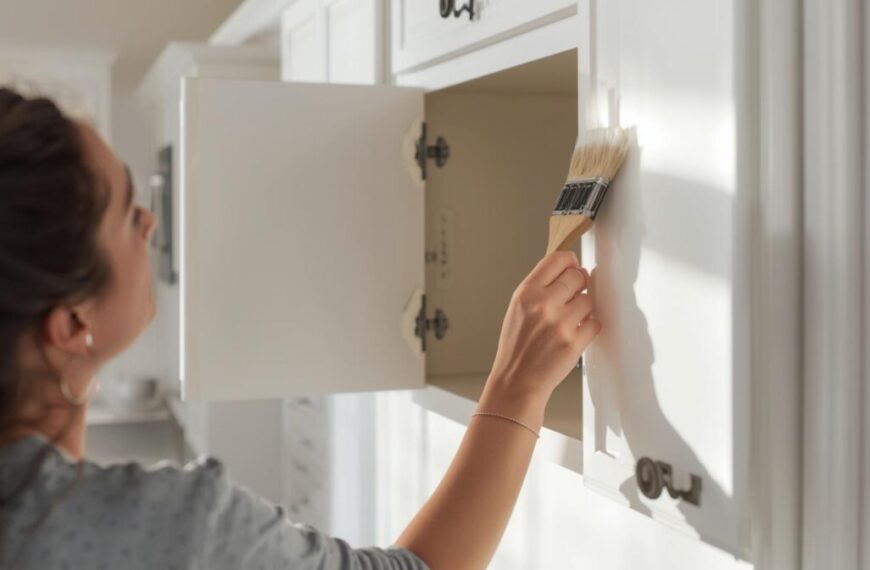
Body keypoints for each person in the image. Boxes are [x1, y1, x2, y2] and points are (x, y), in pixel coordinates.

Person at [0, 87, 600, 570]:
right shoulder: (171, 533)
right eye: (129, 213)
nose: (151, 222)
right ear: (72, 323)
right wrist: (517, 384)